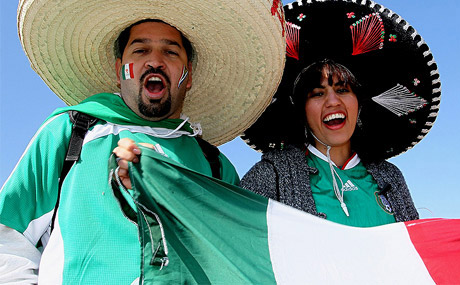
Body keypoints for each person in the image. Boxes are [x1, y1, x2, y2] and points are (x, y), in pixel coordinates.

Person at [0, 0, 285, 283]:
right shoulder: (70, 133)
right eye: (140, 50)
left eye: (171, 52)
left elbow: (233, 262)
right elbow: (9, 238)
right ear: (119, 69)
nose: (155, 61)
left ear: (187, 77)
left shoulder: (217, 168)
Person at [240, 0, 441, 226]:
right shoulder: (273, 174)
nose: (332, 102)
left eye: (343, 90)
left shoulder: (390, 177)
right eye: (317, 93)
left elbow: (412, 246)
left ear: (359, 103)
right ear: (301, 109)